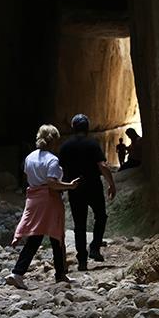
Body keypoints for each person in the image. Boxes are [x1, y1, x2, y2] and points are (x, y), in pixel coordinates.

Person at [5, 125, 80, 290]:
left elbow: (28, 176)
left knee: (34, 238)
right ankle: (60, 274)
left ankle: (17, 273)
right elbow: (52, 183)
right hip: (49, 200)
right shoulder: (52, 160)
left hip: (34, 198)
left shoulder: (30, 157)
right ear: (53, 141)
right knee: (57, 237)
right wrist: (70, 185)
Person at [59, 114, 117, 271]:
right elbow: (102, 166)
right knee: (101, 216)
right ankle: (95, 248)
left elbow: (60, 169)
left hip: (75, 188)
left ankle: (82, 261)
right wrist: (111, 184)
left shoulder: (65, 146)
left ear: (73, 128)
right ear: (87, 128)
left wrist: (61, 187)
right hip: (93, 187)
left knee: (79, 225)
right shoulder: (92, 144)